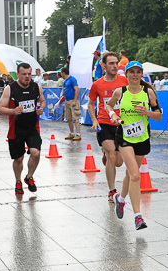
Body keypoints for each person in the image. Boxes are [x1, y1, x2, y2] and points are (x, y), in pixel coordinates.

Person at [106, 61, 162, 230]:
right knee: (136, 175)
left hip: (142, 138)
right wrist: (113, 116)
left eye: (138, 72)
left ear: (141, 75)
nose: (135, 75)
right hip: (124, 137)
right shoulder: (120, 92)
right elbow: (108, 105)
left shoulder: (148, 92)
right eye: (132, 72)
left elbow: (159, 116)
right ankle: (138, 216)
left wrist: (147, 113)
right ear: (127, 74)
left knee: (131, 175)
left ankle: (120, 199)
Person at [0, 63, 46, 195]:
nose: (27, 77)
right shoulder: (10, 88)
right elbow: (0, 108)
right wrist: (13, 111)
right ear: (17, 75)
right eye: (24, 74)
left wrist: (40, 108)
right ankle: (18, 181)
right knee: (18, 159)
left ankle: (29, 177)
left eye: (29, 74)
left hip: (32, 128)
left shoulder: (36, 87)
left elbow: (42, 100)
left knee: (36, 153)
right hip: (16, 129)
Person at [88, 52, 128, 203]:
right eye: (111, 63)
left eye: (116, 63)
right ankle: (112, 191)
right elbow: (91, 104)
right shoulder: (97, 84)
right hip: (104, 123)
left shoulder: (124, 80)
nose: (115, 66)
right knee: (112, 154)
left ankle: (106, 156)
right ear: (104, 65)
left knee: (118, 162)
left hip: (121, 123)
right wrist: (94, 120)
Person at [60, 67, 82, 140]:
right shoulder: (65, 81)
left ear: (63, 73)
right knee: (69, 118)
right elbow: (63, 89)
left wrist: (75, 101)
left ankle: (78, 134)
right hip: (67, 100)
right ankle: (72, 133)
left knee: (76, 118)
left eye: (61, 72)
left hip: (73, 100)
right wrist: (61, 95)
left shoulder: (72, 79)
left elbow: (76, 90)